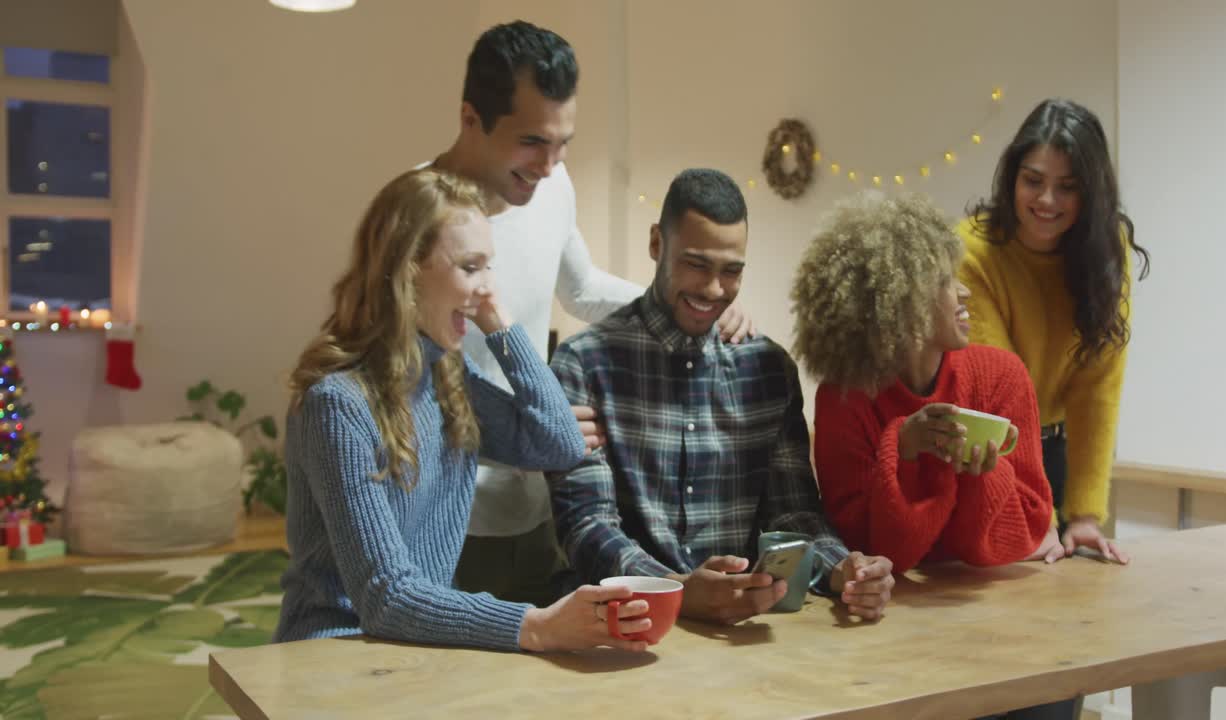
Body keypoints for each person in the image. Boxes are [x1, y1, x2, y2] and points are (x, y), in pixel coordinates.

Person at [427, 21, 755, 605]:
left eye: (564, 143)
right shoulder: (415, 212)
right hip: (442, 511)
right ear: (470, 118)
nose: (551, 164)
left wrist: (698, 304)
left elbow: (580, 289)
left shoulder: (550, 187)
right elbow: (407, 374)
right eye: (532, 141)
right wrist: (527, 433)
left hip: (535, 506)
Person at [274, 168, 651, 653]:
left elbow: (558, 444)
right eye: (470, 267)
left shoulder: (446, 377)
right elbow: (384, 596)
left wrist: (500, 323)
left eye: (489, 267)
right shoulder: (337, 405)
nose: (487, 289)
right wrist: (535, 625)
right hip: (333, 650)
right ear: (408, 270)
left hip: (413, 646)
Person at [548, 169, 893, 625]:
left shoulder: (768, 369)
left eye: (731, 271)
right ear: (657, 244)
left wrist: (844, 570)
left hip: (747, 635)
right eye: (696, 264)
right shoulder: (582, 364)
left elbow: (794, 515)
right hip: (624, 631)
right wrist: (678, 591)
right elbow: (587, 528)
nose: (714, 290)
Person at [792, 191, 1057, 574]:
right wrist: (902, 449)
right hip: (883, 611)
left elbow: (1022, 534)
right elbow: (868, 550)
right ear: (900, 301)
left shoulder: (1003, 376)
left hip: (990, 602)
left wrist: (981, 476)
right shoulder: (844, 397)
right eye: (946, 281)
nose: (964, 292)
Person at [957, 98, 1150, 564]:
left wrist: (1083, 515)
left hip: (1056, 451)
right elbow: (998, 393)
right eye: (1033, 181)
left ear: (1092, 193)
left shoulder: (1108, 251)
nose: (1047, 201)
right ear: (1012, 178)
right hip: (990, 453)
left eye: (1067, 187)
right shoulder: (972, 250)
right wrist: (1035, 518)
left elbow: (1097, 388)